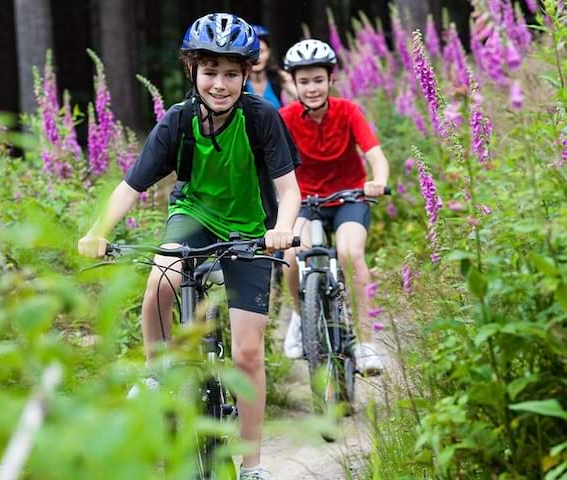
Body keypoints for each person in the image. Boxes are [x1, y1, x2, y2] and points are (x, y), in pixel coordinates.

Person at [77, 13, 300, 480]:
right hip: (193, 215)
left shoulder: (261, 117)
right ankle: (157, 372)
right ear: (193, 72)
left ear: (245, 75)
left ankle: (254, 466)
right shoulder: (177, 121)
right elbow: (129, 186)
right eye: (210, 71)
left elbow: (288, 190)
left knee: (247, 355)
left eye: (232, 73)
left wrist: (281, 229)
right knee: (162, 276)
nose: (220, 83)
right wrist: (98, 230)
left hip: (250, 228)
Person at [278, 39, 390, 375]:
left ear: (329, 80)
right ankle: (301, 315)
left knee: (350, 253)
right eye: (303, 82)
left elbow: (375, 154)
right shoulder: (284, 118)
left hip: (349, 199)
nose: (311, 88)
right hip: (305, 201)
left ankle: (367, 343)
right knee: (291, 255)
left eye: (317, 80)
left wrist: (377, 180)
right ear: (293, 84)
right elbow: (269, 163)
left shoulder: (348, 111)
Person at [245, 24, 297, 109]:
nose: (257, 58)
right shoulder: (239, 83)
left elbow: (300, 100)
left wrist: (288, 82)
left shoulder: (279, 79)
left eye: (261, 52)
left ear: (269, 52)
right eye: (252, 53)